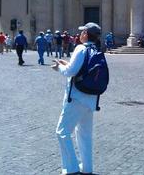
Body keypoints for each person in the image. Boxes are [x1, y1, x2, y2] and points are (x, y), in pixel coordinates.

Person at [52, 22, 103, 175]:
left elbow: (71, 71)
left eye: (82, 32)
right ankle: (87, 168)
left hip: (77, 98)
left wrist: (59, 67)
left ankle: (72, 169)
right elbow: (80, 68)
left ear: (86, 34)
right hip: (91, 98)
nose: (80, 34)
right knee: (84, 134)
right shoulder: (94, 49)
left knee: (62, 131)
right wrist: (67, 64)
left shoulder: (81, 48)